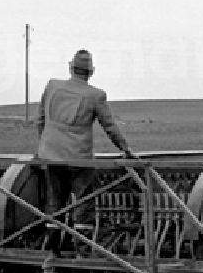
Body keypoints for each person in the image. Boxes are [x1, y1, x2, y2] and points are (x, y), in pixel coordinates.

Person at [35, 49, 135, 241]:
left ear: (71, 67)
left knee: (54, 202)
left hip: (50, 156)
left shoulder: (52, 86)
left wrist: (45, 147)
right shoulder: (95, 95)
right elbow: (110, 127)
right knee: (84, 200)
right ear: (91, 72)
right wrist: (125, 149)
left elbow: (39, 120)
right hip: (79, 159)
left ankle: (53, 249)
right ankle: (81, 248)